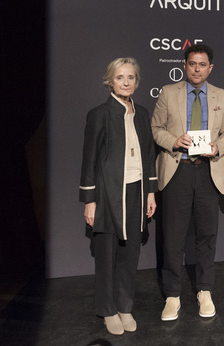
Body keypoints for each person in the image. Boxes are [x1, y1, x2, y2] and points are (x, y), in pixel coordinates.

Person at [151, 43, 224, 321]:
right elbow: (155, 128)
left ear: (210, 68)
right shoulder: (168, 92)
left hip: (208, 171)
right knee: (173, 236)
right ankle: (172, 295)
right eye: (192, 63)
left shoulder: (221, 95)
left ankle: (204, 290)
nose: (196, 69)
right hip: (179, 170)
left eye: (202, 64)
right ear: (184, 65)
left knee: (207, 235)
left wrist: (218, 147)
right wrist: (173, 141)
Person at [79, 57, 158, 335]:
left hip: (136, 192)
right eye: (120, 77)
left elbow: (149, 155)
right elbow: (89, 161)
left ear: (136, 81)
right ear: (110, 81)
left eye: (131, 77)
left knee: (129, 255)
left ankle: (125, 307)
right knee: (107, 256)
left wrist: (151, 192)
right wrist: (90, 200)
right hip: (107, 195)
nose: (126, 82)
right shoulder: (98, 114)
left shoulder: (143, 113)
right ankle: (108, 310)